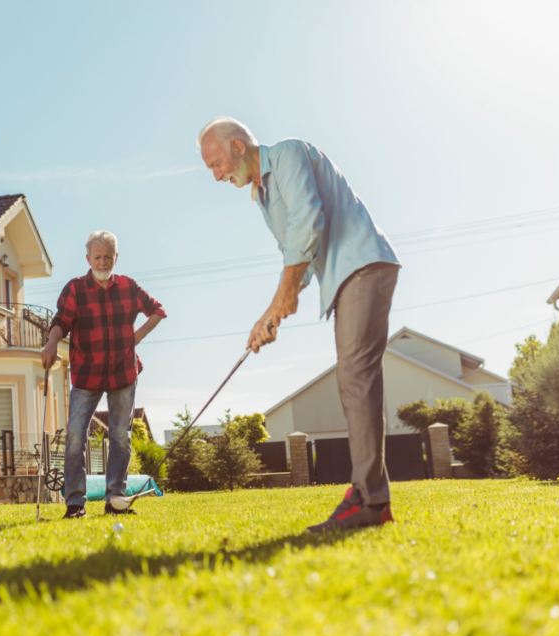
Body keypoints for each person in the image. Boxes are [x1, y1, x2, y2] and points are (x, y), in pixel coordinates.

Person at [197, 116, 401, 533]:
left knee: (355, 378)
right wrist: (270, 315)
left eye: (216, 163)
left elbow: (309, 222)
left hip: (363, 265)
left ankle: (369, 499)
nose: (216, 176)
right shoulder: (263, 197)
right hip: (346, 276)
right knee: (356, 379)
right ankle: (371, 498)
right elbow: (299, 262)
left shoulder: (287, 154)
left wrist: (281, 297)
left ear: (238, 147)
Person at [41, 231, 167, 519]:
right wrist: (50, 342)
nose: (102, 262)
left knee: (120, 436)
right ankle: (74, 502)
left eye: (107, 257)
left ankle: (115, 499)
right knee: (75, 435)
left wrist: (137, 336)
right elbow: (61, 320)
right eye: (97, 257)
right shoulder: (75, 289)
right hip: (87, 374)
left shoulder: (128, 287)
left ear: (116, 258)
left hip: (123, 372)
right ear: (88, 259)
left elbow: (157, 310)